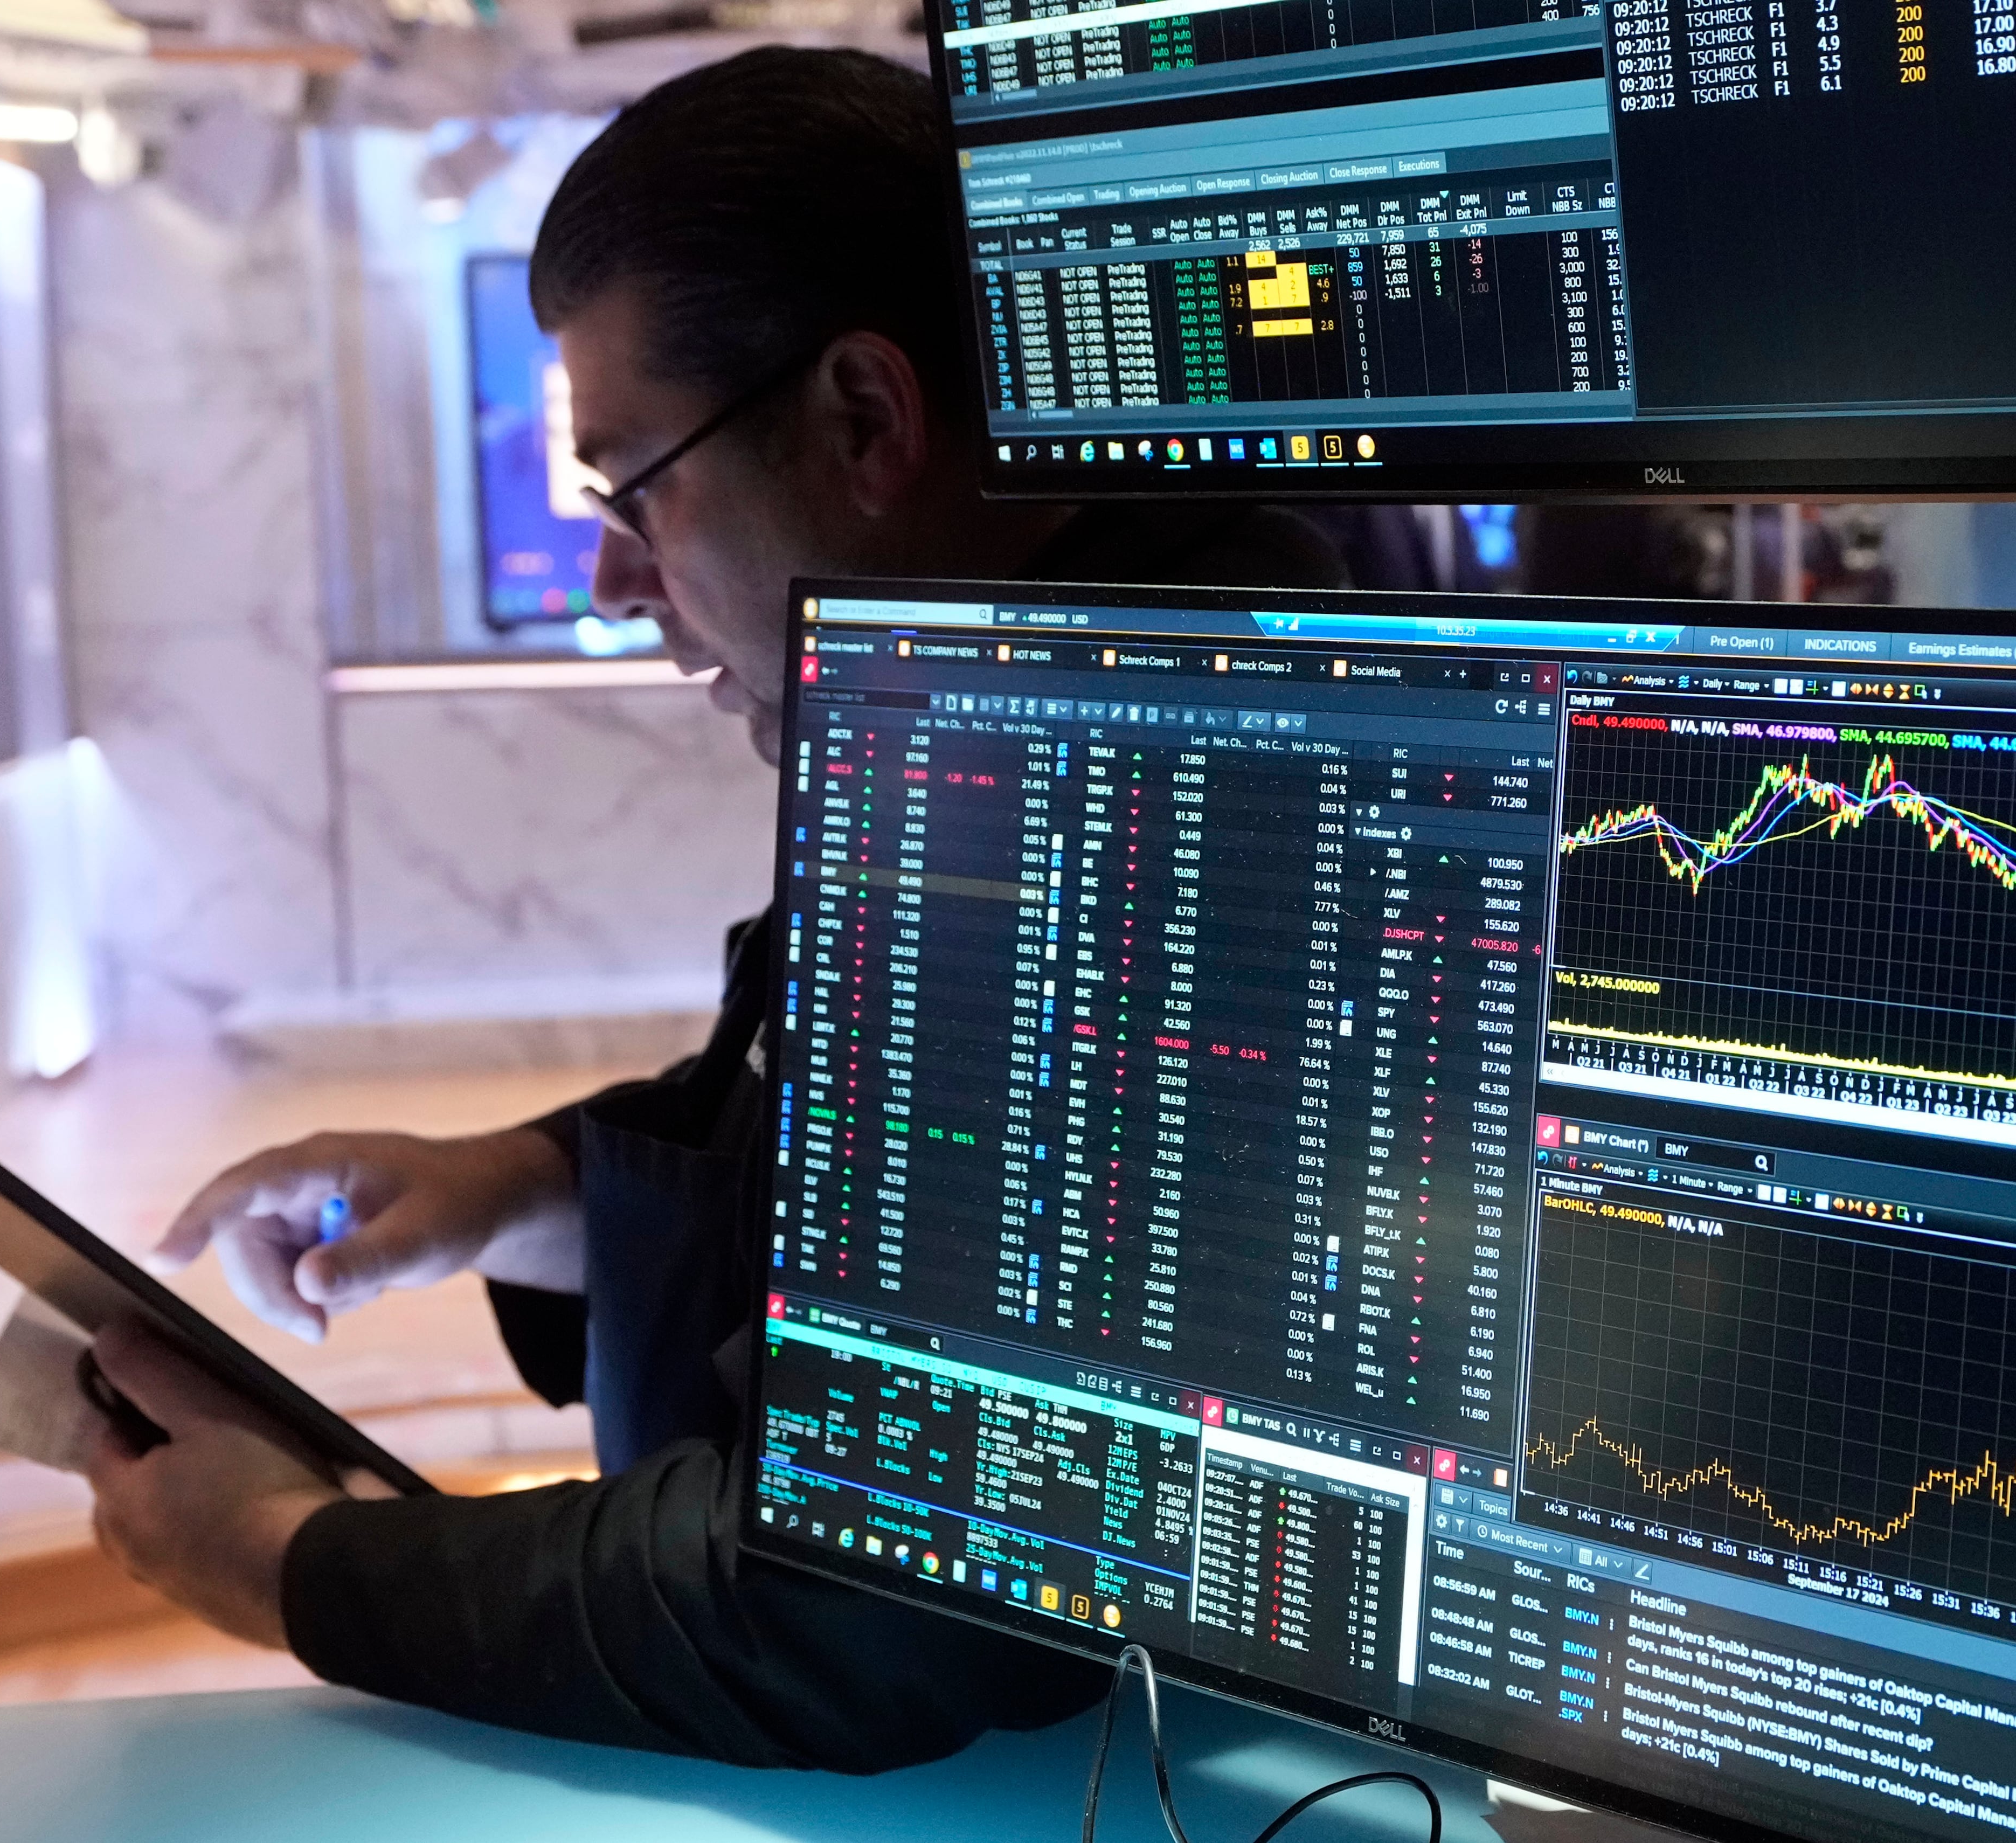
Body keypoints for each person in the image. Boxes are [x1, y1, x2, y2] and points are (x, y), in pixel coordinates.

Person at [77, 44, 1346, 1769]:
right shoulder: (969, 703)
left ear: (866, 419)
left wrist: (291, 1560)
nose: (613, 581)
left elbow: (852, 1592)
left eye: (635, 486)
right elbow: (848, 1154)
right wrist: (519, 1191)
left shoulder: (1147, 780)